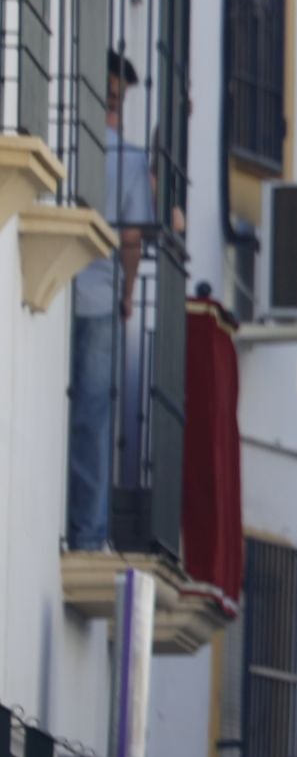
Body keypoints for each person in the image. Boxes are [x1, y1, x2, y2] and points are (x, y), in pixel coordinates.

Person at [67, 52, 155, 550]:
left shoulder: (70, 141)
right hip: (100, 300)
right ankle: (87, 533)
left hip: (56, 289)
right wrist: (127, 296)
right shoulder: (130, 159)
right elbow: (132, 239)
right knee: (93, 419)